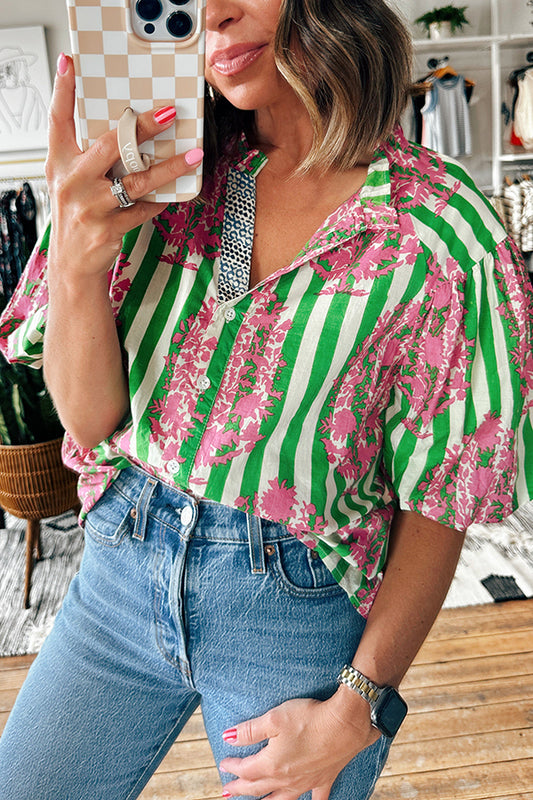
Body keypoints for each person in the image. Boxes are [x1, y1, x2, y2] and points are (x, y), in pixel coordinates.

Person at [0, 1, 532, 799]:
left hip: (292, 605)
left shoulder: (438, 230)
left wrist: (358, 706)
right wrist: (76, 257)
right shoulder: (145, 175)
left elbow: (440, 498)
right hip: (117, 565)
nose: (211, 12)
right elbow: (89, 421)